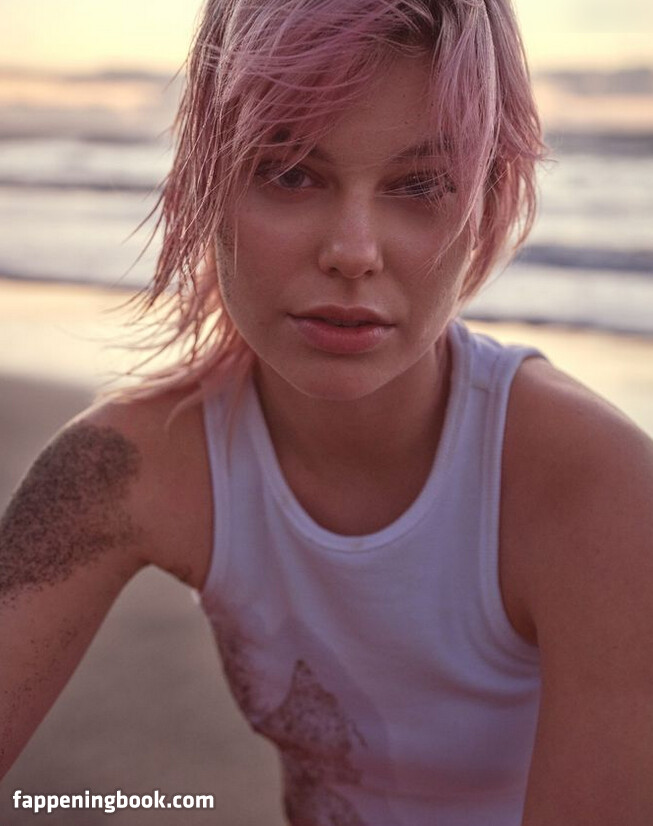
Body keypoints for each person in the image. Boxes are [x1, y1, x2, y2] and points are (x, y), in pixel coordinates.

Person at [1, 0, 652, 823]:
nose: (352, 251)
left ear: (488, 204)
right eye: (288, 172)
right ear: (206, 181)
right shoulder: (131, 466)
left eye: (421, 184)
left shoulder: (598, 491)